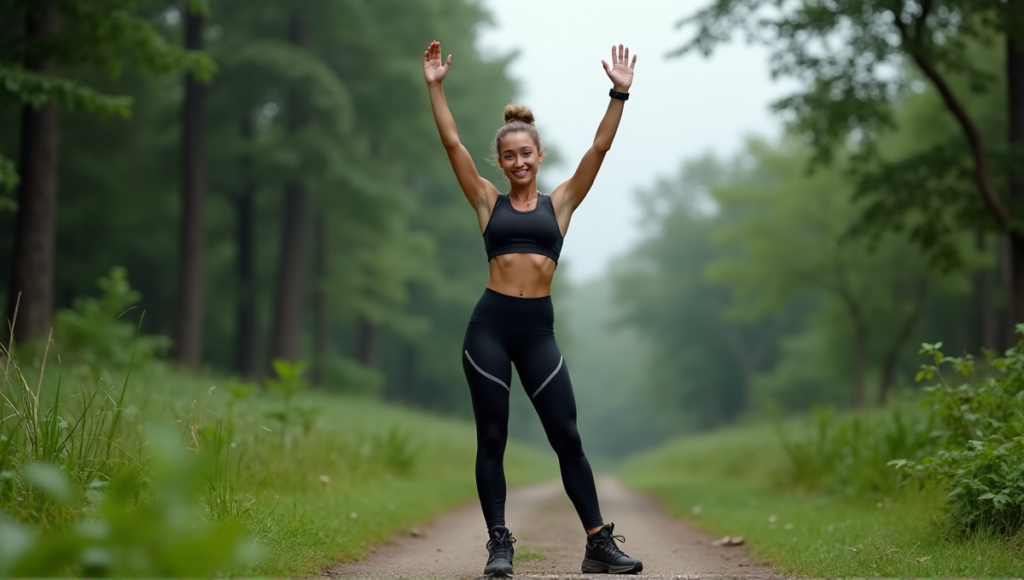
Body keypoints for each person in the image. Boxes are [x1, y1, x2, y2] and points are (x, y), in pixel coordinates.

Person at [422, 39, 642, 577]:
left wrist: (618, 93)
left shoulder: (560, 203)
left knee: (567, 436)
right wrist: (436, 88)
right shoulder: (486, 201)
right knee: (492, 437)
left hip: (538, 333)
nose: (518, 162)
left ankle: (597, 543)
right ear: (500, 162)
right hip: (490, 330)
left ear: (539, 156)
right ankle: (499, 544)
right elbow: (452, 143)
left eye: (527, 153)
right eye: (509, 156)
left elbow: (599, 149)